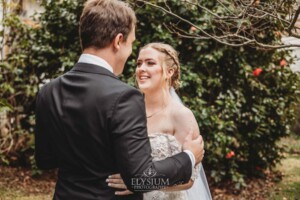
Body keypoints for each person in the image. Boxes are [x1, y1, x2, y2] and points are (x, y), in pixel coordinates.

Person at [34, 1, 205, 200]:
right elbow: (139, 180)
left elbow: (45, 160)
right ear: (118, 41)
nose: (130, 53)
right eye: (131, 43)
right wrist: (188, 157)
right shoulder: (125, 97)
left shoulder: (48, 91)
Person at [107, 43, 212, 200]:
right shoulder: (127, 112)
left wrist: (139, 184)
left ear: (169, 72)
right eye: (139, 63)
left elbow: (189, 179)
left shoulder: (181, 116)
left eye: (150, 63)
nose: (141, 68)